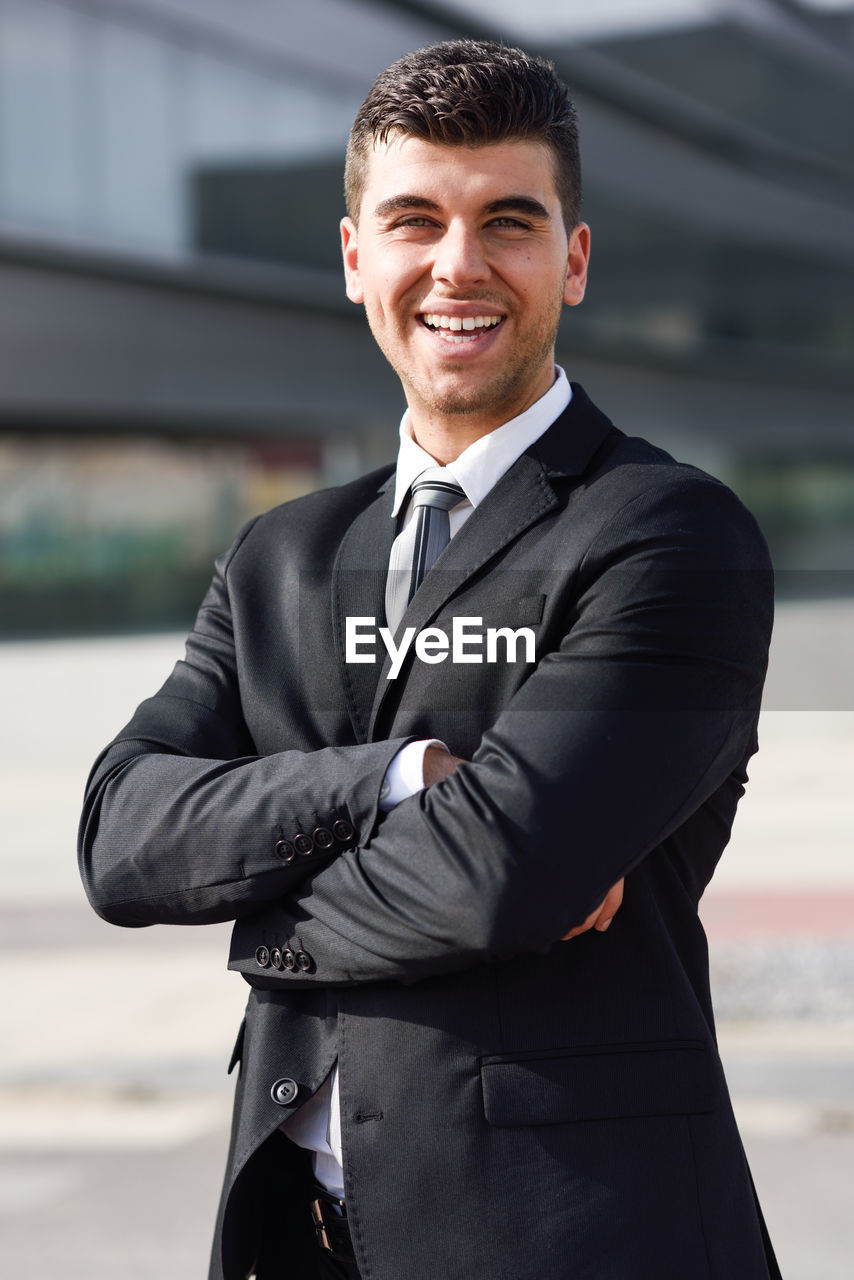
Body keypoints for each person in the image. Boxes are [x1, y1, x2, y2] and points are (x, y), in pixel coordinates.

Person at [79, 39, 781, 1280]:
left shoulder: (670, 534)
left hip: (572, 1235)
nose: (457, 265)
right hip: (291, 1234)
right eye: (413, 221)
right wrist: (394, 780)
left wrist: (248, 903)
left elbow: (498, 875)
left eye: (507, 221)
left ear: (570, 258)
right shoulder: (283, 553)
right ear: (357, 258)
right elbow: (123, 835)